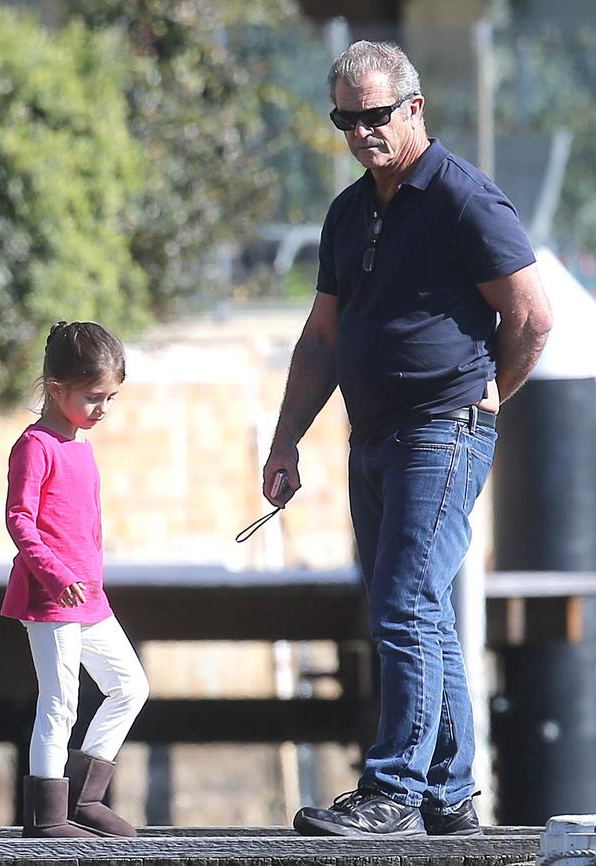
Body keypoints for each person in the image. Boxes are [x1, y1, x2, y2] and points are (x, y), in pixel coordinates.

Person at [263, 40, 553, 838]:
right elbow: (321, 338)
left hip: (443, 430)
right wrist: (287, 439)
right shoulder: (349, 210)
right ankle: (450, 793)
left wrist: (491, 395)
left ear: (415, 108)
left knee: (404, 603)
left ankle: (393, 787)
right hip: (375, 437)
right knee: (417, 609)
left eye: (376, 115)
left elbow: (532, 315)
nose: (362, 132)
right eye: (346, 119)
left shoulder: (463, 198)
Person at [1, 321, 149, 838]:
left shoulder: (81, 446)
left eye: (111, 397)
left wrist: (88, 578)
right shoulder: (35, 445)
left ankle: (84, 798)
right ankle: (46, 815)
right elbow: (20, 519)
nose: (103, 408)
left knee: (130, 686)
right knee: (59, 702)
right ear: (55, 386)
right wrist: (55, 574)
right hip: (49, 598)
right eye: (93, 397)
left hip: (90, 600)